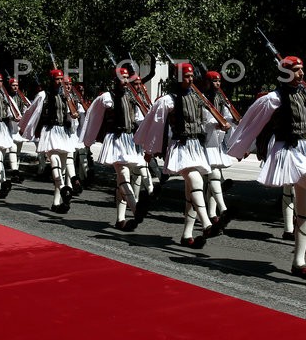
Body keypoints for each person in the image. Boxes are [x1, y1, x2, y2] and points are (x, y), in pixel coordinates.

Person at [225, 56, 306, 279]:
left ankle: (298, 263)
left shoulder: (305, 97)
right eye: (296, 70)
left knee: (304, 211)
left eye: (302, 69)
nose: (301, 74)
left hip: (305, 151)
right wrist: (241, 148)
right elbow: (251, 124)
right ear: (286, 73)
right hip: (287, 151)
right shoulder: (273, 99)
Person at [134, 63, 228, 248]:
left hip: (196, 147)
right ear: (178, 78)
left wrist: (219, 125)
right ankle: (207, 223)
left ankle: (187, 234)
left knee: (190, 193)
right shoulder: (167, 100)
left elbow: (206, 122)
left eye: (192, 76)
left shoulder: (198, 98)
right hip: (180, 147)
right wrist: (149, 150)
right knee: (197, 182)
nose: (191, 79)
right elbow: (155, 126)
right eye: (186, 76)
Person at [79, 67, 151, 231]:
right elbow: (93, 117)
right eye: (122, 78)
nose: (125, 81)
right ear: (115, 80)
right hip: (115, 140)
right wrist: (87, 140)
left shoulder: (133, 97)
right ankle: (135, 208)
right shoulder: (106, 97)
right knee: (124, 175)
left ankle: (120, 219)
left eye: (127, 78)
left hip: (130, 141)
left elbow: (140, 120)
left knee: (123, 180)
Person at [18, 69, 80, 212]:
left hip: (64, 131)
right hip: (50, 130)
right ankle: (64, 189)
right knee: (54, 162)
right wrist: (23, 126)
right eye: (57, 79)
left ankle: (57, 202)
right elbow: (31, 111)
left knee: (63, 167)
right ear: (52, 81)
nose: (60, 82)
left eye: (61, 80)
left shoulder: (67, 96)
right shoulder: (43, 95)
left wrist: (73, 116)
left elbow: (72, 115)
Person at [201, 70, 236, 227]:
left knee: (213, 178)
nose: (217, 84)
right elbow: (199, 121)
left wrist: (228, 122)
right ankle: (222, 210)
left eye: (219, 81)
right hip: (204, 143)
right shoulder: (201, 98)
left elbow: (227, 115)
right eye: (214, 81)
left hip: (217, 143)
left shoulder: (221, 98)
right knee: (212, 177)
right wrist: (215, 124)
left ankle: (212, 214)